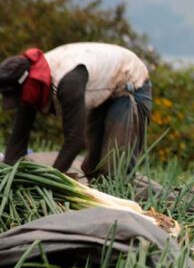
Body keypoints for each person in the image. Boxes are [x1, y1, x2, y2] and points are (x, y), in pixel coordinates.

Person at [0, 42, 152, 178]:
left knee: (114, 168)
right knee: (92, 167)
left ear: (27, 82)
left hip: (130, 84)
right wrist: (9, 175)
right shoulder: (30, 84)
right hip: (102, 88)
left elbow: (75, 140)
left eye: (17, 96)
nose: (19, 101)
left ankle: (135, 206)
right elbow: (19, 136)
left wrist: (51, 181)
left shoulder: (67, 83)